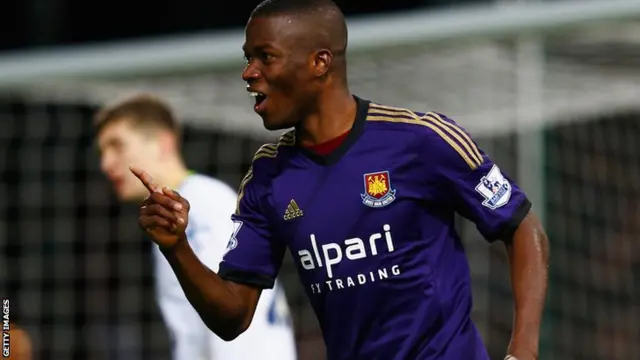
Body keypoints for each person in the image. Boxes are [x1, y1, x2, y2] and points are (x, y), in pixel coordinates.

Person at [131, 0, 550, 359]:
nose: (248, 73)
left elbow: (521, 225)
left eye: (265, 56)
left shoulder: (420, 140)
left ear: (320, 62)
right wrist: (177, 248)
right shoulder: (268, 177)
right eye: (247, 57)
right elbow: (233, 316)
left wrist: (523, 351)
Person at [95, 94, 297, 360]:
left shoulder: (201, 206)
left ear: (162, 144)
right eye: (102, 152)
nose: (106, 164)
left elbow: (232, 314)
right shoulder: (184, 208)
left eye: (117, 146)